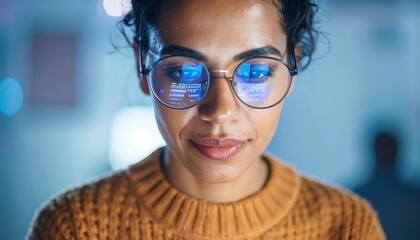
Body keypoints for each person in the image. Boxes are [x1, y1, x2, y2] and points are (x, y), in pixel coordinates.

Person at [27, 0, 386, 239]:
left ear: (292, 68)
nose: (220, 111)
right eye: (184, 73)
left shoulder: (345, 226)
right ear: (142, 67)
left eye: (257, 73)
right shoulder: (76, 227)